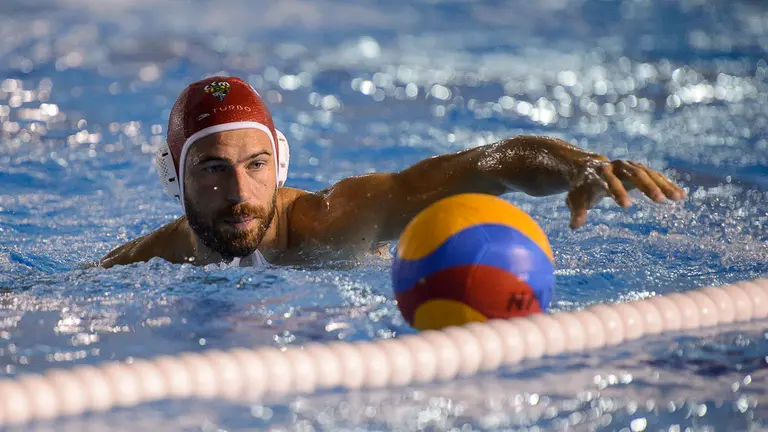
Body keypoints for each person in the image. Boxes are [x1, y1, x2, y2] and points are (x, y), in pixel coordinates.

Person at [99, 76, 686, 268]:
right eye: (212, 169)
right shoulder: (149, 262)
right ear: (174, 180)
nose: (241, 192)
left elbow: (484, 167)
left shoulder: (338, 221)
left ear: (280, 163)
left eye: (257, 165)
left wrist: (576, 165)